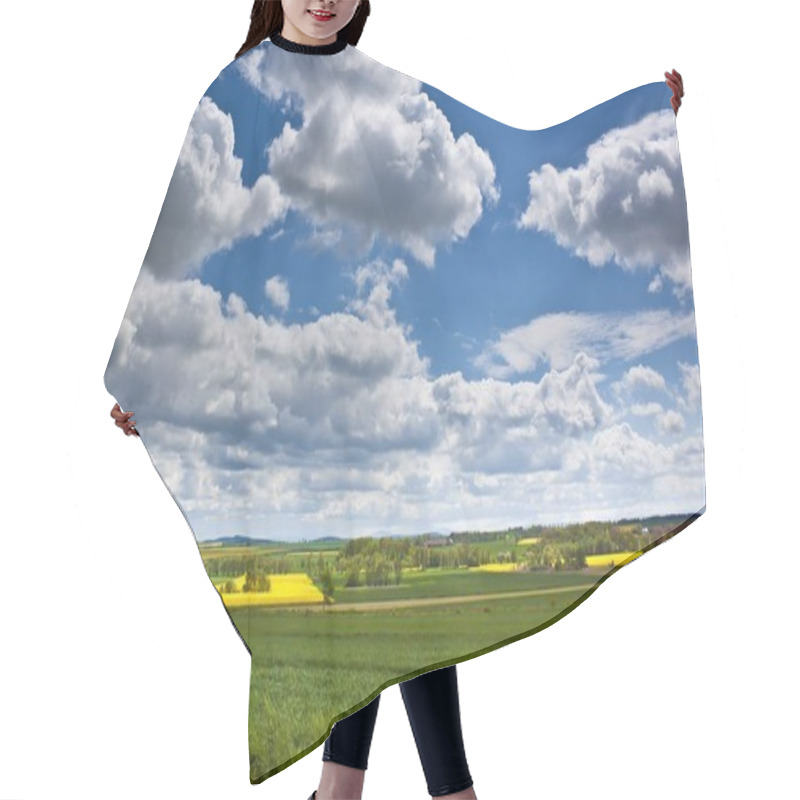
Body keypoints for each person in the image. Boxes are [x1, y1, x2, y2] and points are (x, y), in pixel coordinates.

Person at [110, 2, 686, 798]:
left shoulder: (380, 93)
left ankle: (357, 792)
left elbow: (496, 169)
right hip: (290, 404)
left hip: (378, 385)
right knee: (369, 607)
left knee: (389, 600)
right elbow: (188, 251)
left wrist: (638, 123)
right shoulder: (234, 91)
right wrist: (142, 376)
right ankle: (426, 794)